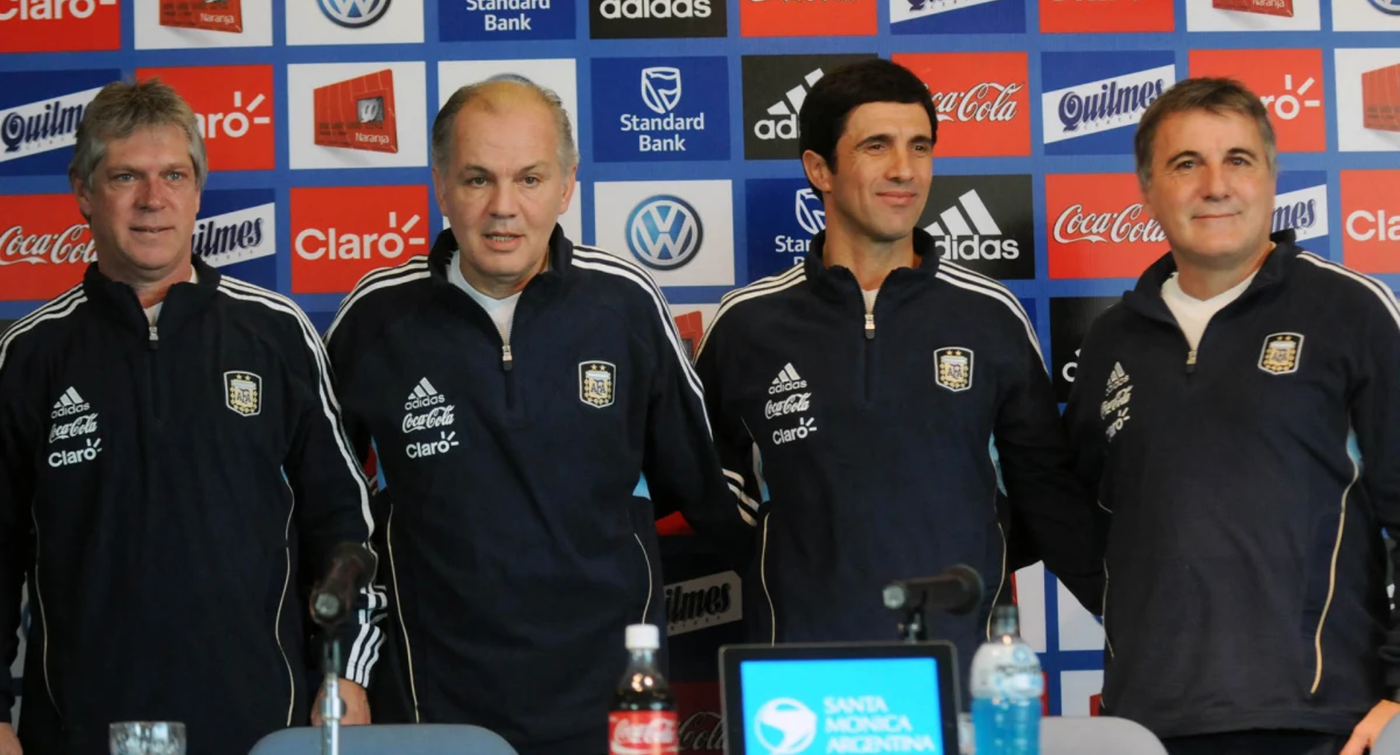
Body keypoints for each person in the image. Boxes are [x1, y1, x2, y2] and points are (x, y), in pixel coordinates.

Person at [322, 75, 749, 755]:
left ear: (566, 185)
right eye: (476, 180)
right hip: (434, 697)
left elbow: (703, 486)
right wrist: (342, 664)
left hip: (611, 699)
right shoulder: (378, 316)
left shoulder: (625, 306)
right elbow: (326, 509)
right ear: (439, 183)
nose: (503, 208)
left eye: (529, 178)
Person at [0, 80, 383, 755]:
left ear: (199, 189)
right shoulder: (29, 355)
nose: (154, 200)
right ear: (84, 192)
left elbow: (342, 525)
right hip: (81, 732)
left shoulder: (277, 334)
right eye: (126, 177)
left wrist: (345, 672)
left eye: (174, 175)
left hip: (263, 729)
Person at [693, 58, 1102, 683]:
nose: (904, 171)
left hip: (959, 674)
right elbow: (708, 497)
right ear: (819, 169)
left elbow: (1046, 498)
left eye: (919, 147)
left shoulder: (989, 317)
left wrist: (1138, 621)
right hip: (797, 679)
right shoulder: (749, 323)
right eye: (876, 146)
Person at [1064, 76, 1400, 755]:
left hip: (1320, 725)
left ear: (1272, 177)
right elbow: (1087, 518)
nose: (1215, 185)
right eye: (1186, 164)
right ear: (1146, 189)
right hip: (1147, 725)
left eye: (1239, 160)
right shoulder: (1112, 341)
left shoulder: (1351, 313)